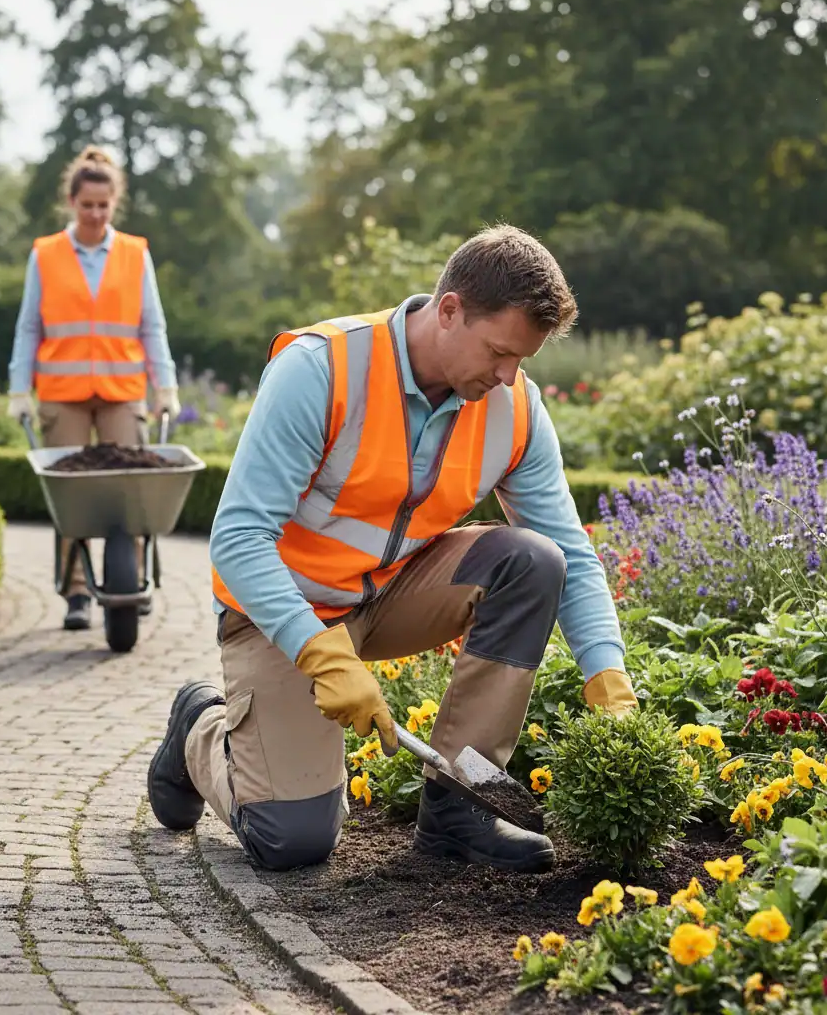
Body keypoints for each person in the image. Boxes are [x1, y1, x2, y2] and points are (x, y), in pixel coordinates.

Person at [147, 225, 638, 874]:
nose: (507, 376)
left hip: (394, 593)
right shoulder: (323, 369)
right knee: (292, 839)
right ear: (450, 310)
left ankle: (462, 808)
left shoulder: (513, 407)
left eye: (522, 360)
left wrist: (607, 674)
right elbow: (237, 539)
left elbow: (570, 553)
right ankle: (200, 727)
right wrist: (318, 650)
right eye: (498, 352)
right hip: (286, 611)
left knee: (535, 561)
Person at [6, 145, 181, 631]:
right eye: (87, 205)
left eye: (104, 205)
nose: (96, 214)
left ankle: (133, 583)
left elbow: (152, 325)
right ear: (71, 201)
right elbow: (28, 327)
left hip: (122, 388)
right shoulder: (46, 254)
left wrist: (164, 384)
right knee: (72, 498)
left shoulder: (133, 253)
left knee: (134, 488)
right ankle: (76, 591)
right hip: (62, 393)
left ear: (114, 204)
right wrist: (19, 389)